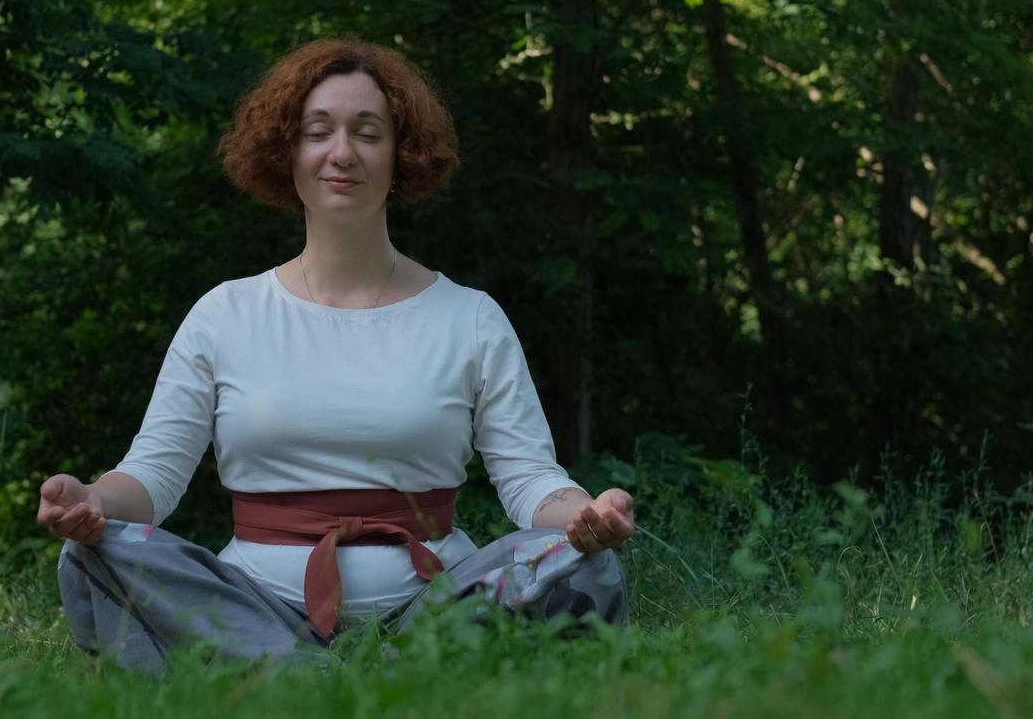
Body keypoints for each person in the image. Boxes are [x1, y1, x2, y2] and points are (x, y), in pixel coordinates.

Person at [39, 38, 634, 672]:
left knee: (582, 561)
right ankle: (323, 674)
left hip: (442, 611)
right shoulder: (225, 314)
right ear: (286, 152)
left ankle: (304, 684)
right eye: (317, 131)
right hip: (255, 610)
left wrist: (584, 515)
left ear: (401, 155)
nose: (341, 153)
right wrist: (93, 500)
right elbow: (154, 476)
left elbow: (529, 480)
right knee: (93, 553)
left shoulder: (471, 317)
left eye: (368, 133)